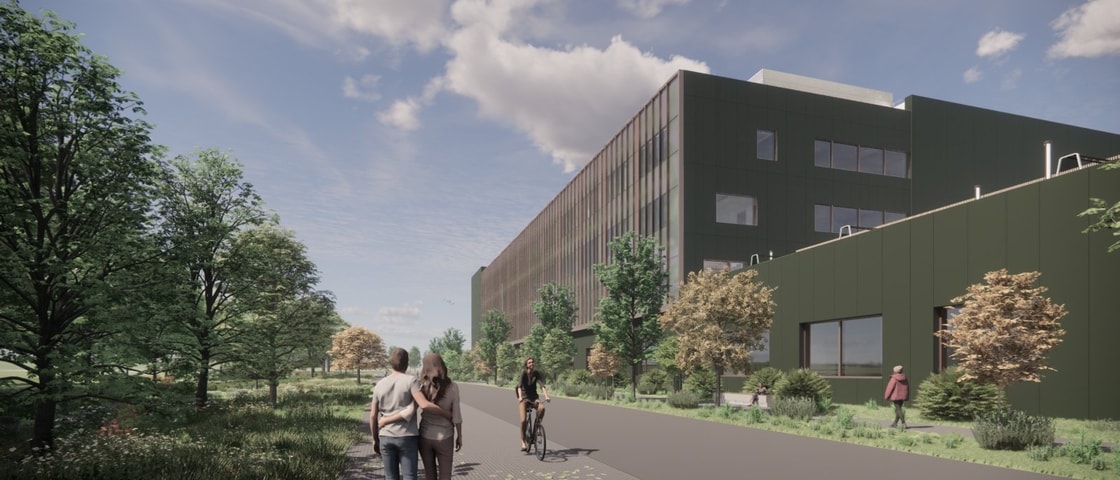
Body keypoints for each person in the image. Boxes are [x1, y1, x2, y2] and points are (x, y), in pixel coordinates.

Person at [371, 348, 452, 480]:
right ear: (407, 364)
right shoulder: (411, 381)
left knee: (390, 476)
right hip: (407, 436)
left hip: (385, 436)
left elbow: (373, 416)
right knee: (409, 476)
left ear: (391, 363)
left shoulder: (379, 385)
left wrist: (375, 438)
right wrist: (447, 414)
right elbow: (424, 404)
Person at [516, 357, 550, 452]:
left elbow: (542, 385)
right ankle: (523, 441)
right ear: (527, 365)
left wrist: (546, 396)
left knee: (542, 408)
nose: (532, 363)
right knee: (523, 421)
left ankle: (538, 425)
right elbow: (519, 386)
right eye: (529, 362)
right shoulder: (524, 373)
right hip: (524, 398)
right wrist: (520, 397)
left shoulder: (536, 373)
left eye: (532, 362)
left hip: (534, 397)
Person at [884, 364, 910, 429]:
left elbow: (889, 388)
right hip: (902, 396)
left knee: (898, 409)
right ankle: (895, 423)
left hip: (896, 396)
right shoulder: (905, 378)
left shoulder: (894, 378)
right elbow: (907, 387)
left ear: (895, 371)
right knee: (899, 409)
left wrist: (886, 396)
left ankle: (904, 423)